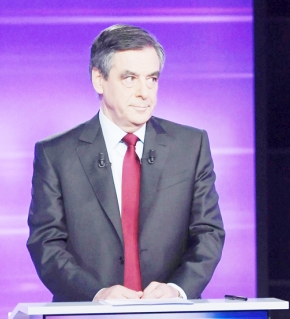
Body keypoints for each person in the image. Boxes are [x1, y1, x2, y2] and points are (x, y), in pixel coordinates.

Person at [27, 24, 225, 302]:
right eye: (130, 78)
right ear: (99, 79)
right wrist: (95, 294)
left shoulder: (191, 146)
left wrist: (177, 290)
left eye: (152, 79)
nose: (145, 92)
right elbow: (46, 244)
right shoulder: (57, 154)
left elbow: (208, 232)